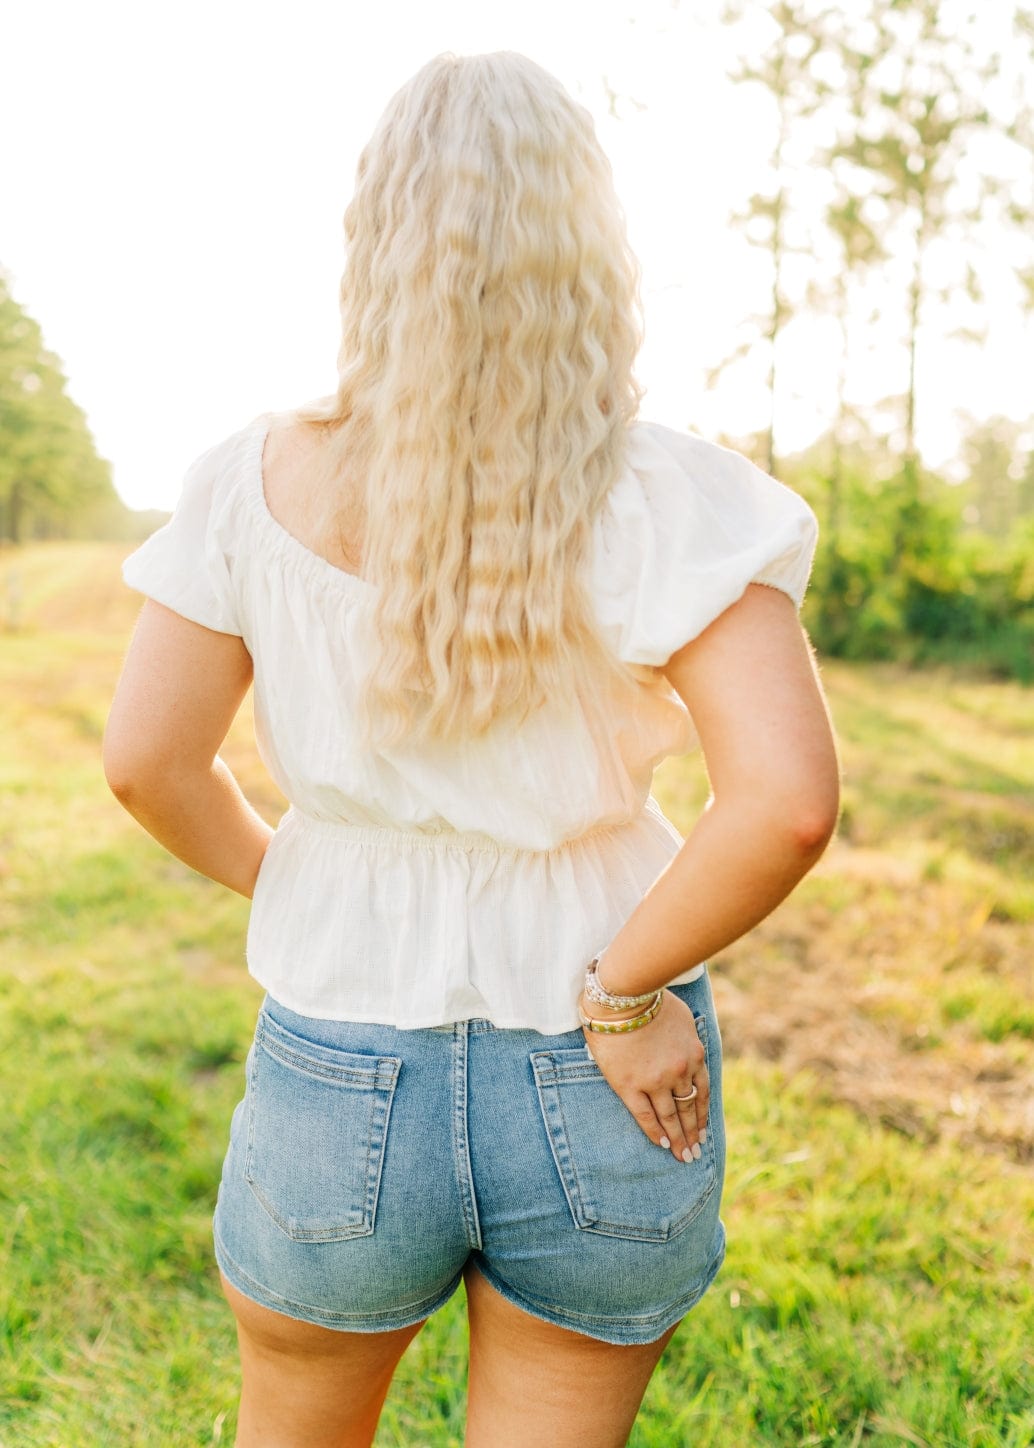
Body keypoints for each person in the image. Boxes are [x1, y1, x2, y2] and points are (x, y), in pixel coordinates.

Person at [103, 50, 840, 1448]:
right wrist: (622, 998)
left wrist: (298, 886)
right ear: (592, 247)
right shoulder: (671, 493)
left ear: (374, 240)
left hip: (339, 1047)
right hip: (594, 1054)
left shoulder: (248, 484)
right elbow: (786, 806)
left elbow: (148, 762)